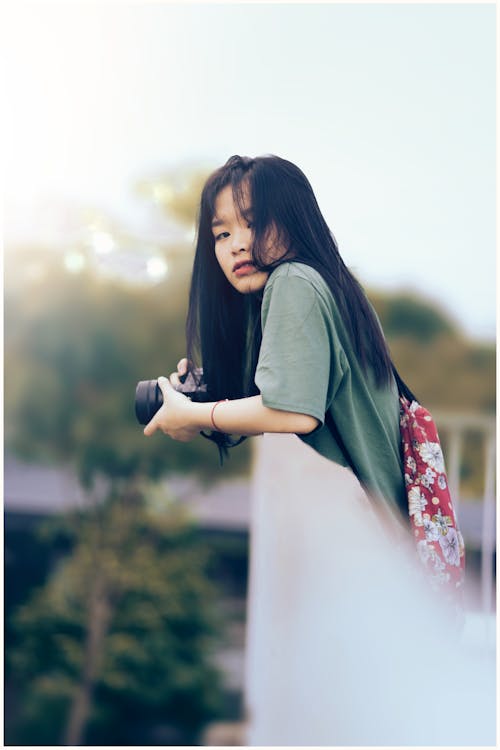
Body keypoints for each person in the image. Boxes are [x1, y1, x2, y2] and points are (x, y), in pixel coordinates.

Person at [143, 153, 409, 527]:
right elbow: (302, 393)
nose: (236, 244)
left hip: (363, 539)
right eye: (222, 233)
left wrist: (192, 414)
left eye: (251, 222)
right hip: (380, 541)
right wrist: (211, 392)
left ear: (293, 219)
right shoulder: (330, 283)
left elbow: (294, 412)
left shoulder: (292, 282)